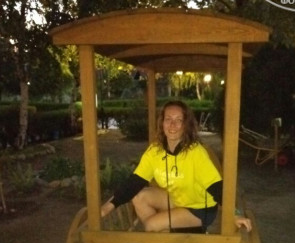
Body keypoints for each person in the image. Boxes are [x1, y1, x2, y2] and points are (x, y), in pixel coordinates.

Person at [100, 100, 252, 233]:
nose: (172, 125)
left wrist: (235, 213)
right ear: (162, 123)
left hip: (199, 208)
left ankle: (170, 236)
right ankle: (170, 240)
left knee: (151, 225)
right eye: (168, 119)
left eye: (179, 120)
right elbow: (134, 182)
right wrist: (108, 207)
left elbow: (216, 187)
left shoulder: (196, 153)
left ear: (186, 125)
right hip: (177, 200)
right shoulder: (155, 151)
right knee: (139, 196)